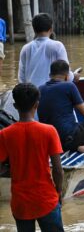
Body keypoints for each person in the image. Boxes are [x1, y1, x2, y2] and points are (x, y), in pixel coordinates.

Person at [0, 83, 64, 231]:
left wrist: (17, 171)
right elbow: (58, 170)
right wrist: (58, 192)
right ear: (37, 105)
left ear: (15, 106)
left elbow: (1, 169)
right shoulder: (49, 131)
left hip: (20, 202)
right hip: (46, 199)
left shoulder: (5, 134)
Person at [38, 60, 84, 155]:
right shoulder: (69, 85)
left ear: (50, 75)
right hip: (69, 137)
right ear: (67, 76)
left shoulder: (40, 89)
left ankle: (78, 147)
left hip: (50, 139)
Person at [18, 13, 76, 87]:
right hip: (50, 93)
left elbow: (21, 78)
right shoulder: (58, 46)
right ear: (51, 29)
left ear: (34, 29)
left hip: (30, 95)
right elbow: (66, 75)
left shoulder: (25, 48)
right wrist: (74, 76)